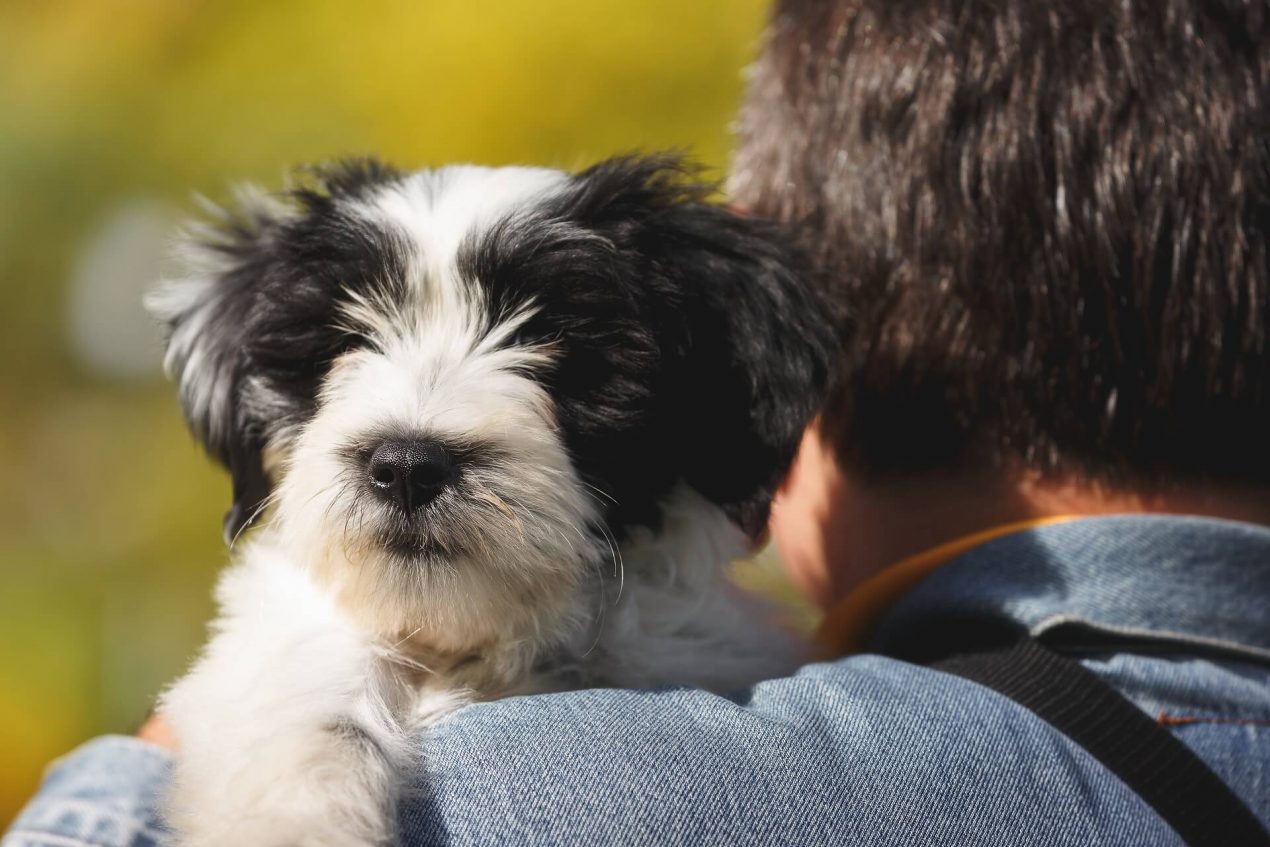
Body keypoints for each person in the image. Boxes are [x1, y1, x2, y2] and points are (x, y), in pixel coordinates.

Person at [6, 0, 1269, 844]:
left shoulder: (613, 791)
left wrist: (128, 788)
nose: (413, 422)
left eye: (560, 365)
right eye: (344, 349)